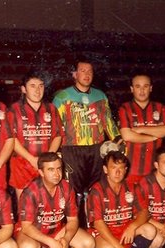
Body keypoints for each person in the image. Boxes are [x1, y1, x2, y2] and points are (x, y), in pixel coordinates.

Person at [52, 57, 122, 227]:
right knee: (73, 192)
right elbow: (55, 126)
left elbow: (108, 122)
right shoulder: (62, 96)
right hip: (72, 150)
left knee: (95, 190)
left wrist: (118, 139)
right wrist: (56, 151)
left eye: (89, 71)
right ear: (74, 74)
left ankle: (94, 226)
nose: (86, 74)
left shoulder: (100, 95)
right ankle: (74, 228)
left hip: (96, 149)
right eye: (82, 70)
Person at [16, 152, 95, 248]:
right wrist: (50, 242)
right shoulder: (31, 191)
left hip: (56, 230)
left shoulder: (67, 187)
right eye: (51, 170)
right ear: (41, 172)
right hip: (33, 233)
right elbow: (26, 227)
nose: (56, 174)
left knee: (88, 244)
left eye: (59, 169)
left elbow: (73, 220)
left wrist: (66, 239)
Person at [86, 150, 156, 248]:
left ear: (126, 170)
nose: (118, 172)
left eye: (121, 168)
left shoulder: (132, 187)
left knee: (150, 230)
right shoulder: (97, 190)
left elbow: (144, 211)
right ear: (105, 169)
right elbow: (98, 223)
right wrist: (118, 246)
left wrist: (133, 227)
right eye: (113, 168)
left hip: (124, 229)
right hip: (104, 231)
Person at [8, 70, 63, 201]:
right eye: (32, 86)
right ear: (23, 89)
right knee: (24, 206)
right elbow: (11, 139)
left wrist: (47, 158)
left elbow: (58, 135)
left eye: (41, 86)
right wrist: (32, 159)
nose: (37, 90)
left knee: (47, 203)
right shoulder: (14, 109)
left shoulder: (51, 108)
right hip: (22, 164)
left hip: (46, 165)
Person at [118, 73, 165, 186]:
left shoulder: (160, 108)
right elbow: (127, 136)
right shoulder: (125, 108)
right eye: (138, 86)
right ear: (132, 89)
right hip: (131, 169)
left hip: (154, 169)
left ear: (151, 88)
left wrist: (140, 129)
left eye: (145, 86)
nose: (142, 90)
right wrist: (154, 136)